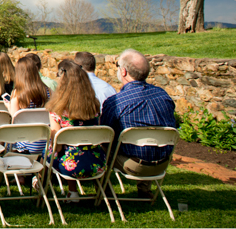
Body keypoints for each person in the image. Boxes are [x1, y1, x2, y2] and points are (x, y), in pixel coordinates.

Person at [99, 49, 176, 195]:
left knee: (100, 146)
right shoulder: (163, 96)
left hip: (131, 164)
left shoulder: (116, 102)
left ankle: (104, 193)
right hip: (162, 163)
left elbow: (105, 135)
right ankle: (145, 189)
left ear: (123, 72)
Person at [45, 59, 106, 180]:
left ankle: (43, 183)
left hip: (70, 164)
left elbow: (57, 147)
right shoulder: (94, 105)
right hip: (97, 161)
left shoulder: (57, 111)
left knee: (47, 151)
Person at [8, 56, 52, 156]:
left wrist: (9, 107)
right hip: (45, 143)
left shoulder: (17, 94)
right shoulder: (48, 91)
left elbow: (14, 120)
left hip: (24, 144)